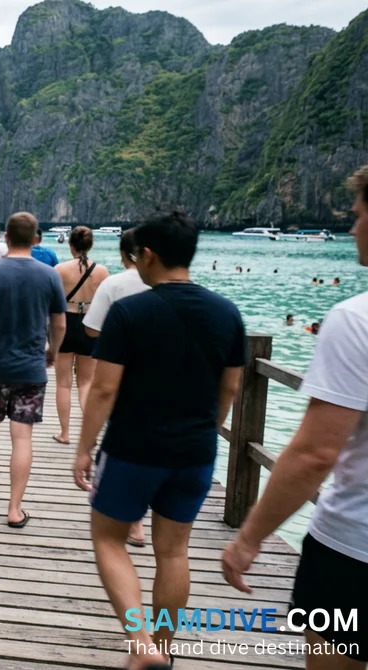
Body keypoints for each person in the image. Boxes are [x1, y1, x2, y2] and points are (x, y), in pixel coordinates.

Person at [71, 209, 246, 670]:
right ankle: (163, 649)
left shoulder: (131, 312)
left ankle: (141, 643)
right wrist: (207, 430)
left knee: (109, 541)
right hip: (195, 451)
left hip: (133, 446)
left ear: (148, 255)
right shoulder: (227, 313)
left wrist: (84, 448)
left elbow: (105, 389)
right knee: (174, 551)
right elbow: (229, 389)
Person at [221, 166, 368, 670]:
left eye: (358, 215)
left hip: (355, 552)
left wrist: (248, 538)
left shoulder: (356, 319)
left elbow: (313, 453)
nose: (352, 228)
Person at [0, 212, 67, 528]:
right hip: (30, 371)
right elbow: (59, 324)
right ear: (36, 239)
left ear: (6, 238)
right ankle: (15, 509)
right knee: (23, 438)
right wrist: (53, 351)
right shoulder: (50, 276)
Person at [82, 228, 150, 547]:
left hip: (120, 377)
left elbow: (92, 330)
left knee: (126, 447)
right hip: (166, 384)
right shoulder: (169, 287)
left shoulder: (114, 284)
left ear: (124, 254)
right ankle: (140, 524)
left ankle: (130, 523)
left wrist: (84, 445)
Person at [53, 226, 110, 445]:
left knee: (63, 383)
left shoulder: (60, 269)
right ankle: (90, 434)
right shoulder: (102, 271)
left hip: (66, 323)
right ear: (91, 245)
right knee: (86, 382)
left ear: (71, 245)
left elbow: (54, 303)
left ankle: (65, 433)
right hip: (91, 323)